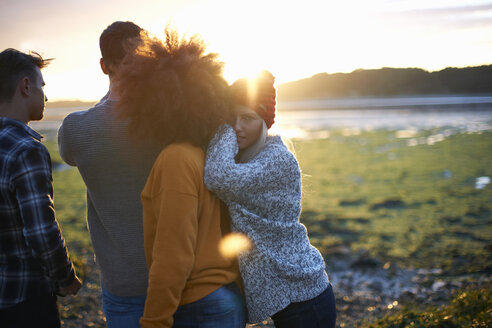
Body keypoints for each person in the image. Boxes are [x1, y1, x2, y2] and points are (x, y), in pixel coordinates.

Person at [113, 29, 246, 328]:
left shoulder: (177, 159)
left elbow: (174, 255)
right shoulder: (210, 153)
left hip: (200, 305)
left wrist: (154, 320)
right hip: (224, 298)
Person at [204, 70, 337, 327]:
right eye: (232, 117)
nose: (238, 126)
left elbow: (218, 176)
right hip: (293, 302)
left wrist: (222, 127)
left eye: (248, 118)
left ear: (265, 122)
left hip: (306, 301)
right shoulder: (248, 159)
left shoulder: (277, 159)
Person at [58, 21, 160, 327]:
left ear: (104, 66)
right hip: (178, 276)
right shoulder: (169, 122)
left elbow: (70, 155)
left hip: (122, 283)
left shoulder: (76, 129)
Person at [0, 48, 82, 328]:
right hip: (25, 300)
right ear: (25, 86)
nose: (45, 97)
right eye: (41, 87)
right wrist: (66, 278)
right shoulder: (26, 149)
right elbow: (42, 232)